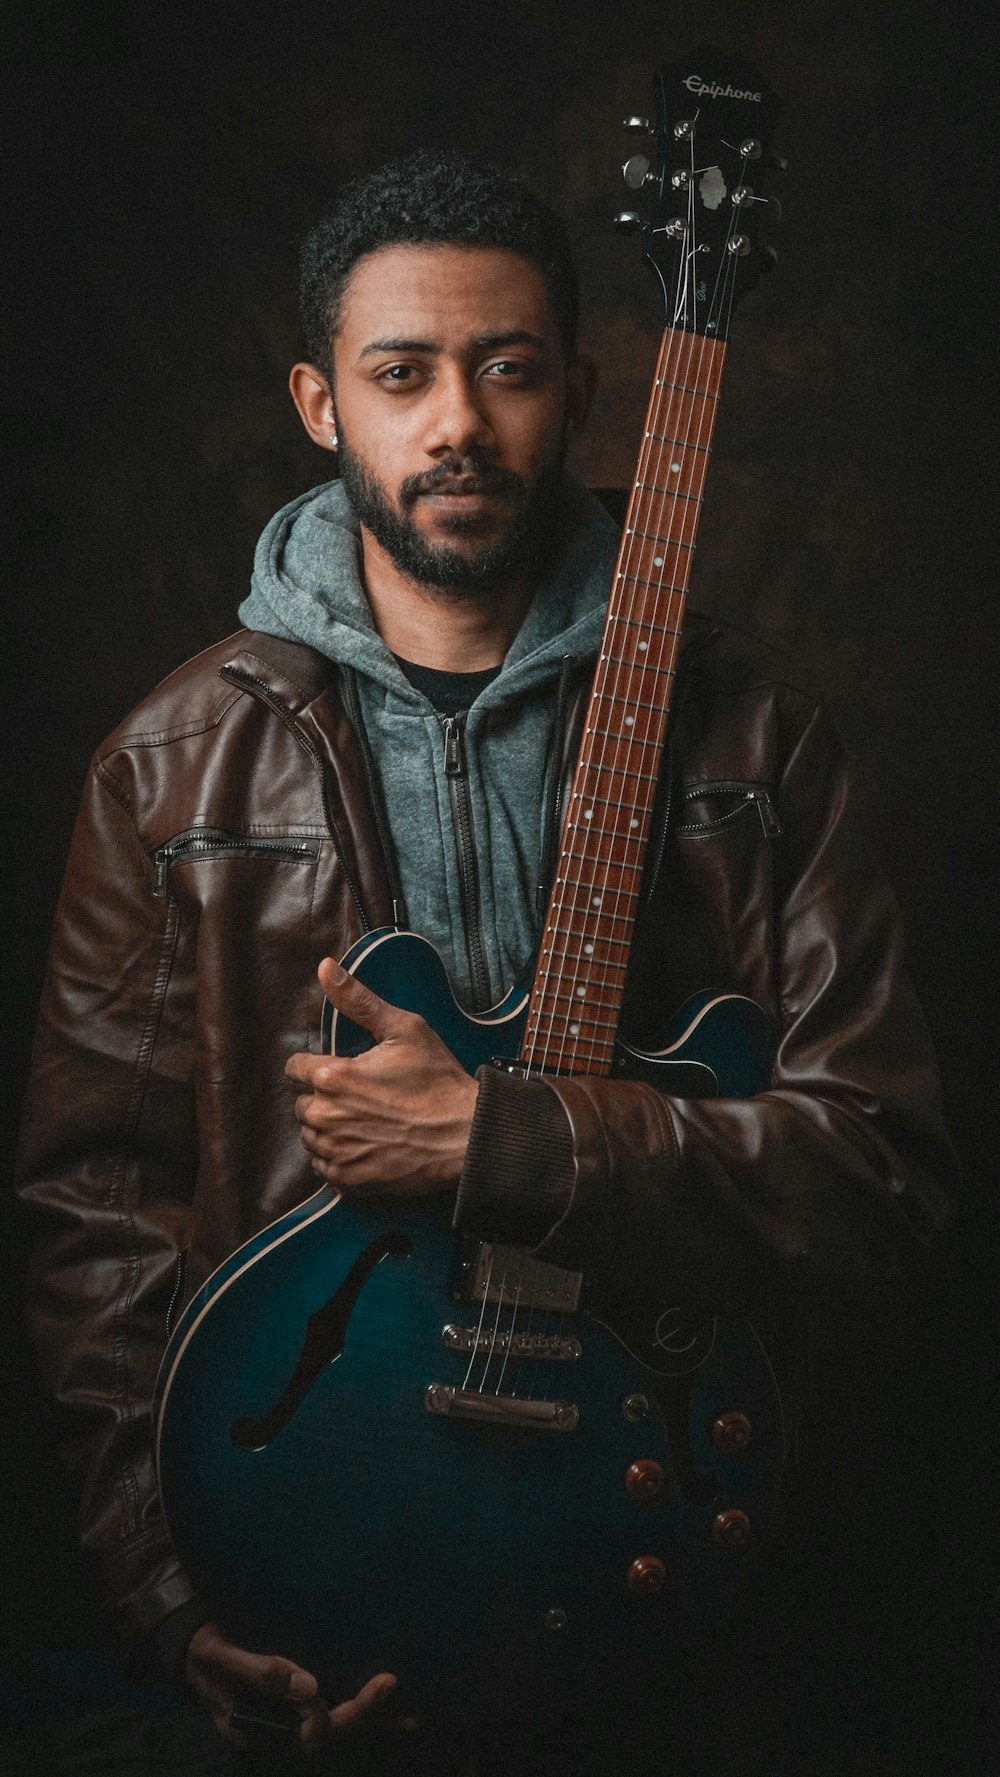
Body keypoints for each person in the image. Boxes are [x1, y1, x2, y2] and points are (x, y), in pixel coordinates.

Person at [16, 151, 957, 1775]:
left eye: (507, 369)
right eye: (404, 373)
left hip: (682, 1537)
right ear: (322, 402)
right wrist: (176, 1597)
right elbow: (93, 1223)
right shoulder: (168, 774)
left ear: (582, 391)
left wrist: (511, 1141)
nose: (457, 419)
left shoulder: (756, 746)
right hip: (307, 1492)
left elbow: (886, 1177)